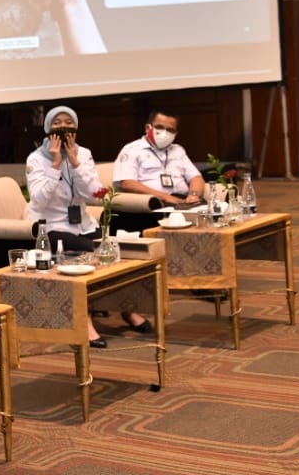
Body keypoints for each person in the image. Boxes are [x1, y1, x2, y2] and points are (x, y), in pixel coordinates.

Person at [26, 105, 151, 347]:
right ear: (48, 129)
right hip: (51, 226)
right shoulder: (36, 158)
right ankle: (86, 320)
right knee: (90, 256)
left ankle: (126, 307)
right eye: (57, 123)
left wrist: (74, 162)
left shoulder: (83, 154)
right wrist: (55, 164)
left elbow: (95, 194)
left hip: (83, 223)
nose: (63, 127)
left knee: (115, 253)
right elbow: (39, 200)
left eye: (68, 122)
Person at [113, 107, 206, 206]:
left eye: (170, 130)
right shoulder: (132, 149)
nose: (164, 133)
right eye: (159, 127)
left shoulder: (178, 150)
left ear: (175, 134)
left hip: (182, 200)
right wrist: (165, 197)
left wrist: (193, 195)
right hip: (154, 202)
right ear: (147, 128)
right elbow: (127, 183)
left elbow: (196, 177)